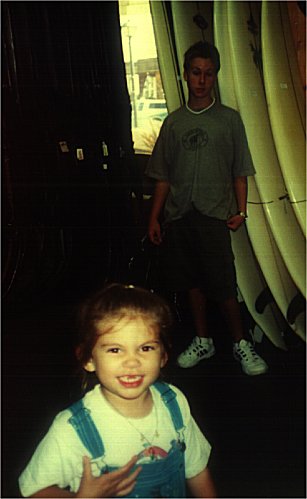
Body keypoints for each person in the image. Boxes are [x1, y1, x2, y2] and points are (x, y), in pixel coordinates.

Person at [18, 283, 216, 498]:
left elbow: (197, 470)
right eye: (115, 349)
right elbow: (35, 492)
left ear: (163, 356)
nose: (132, 362)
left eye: (146, 348)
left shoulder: (174, 402)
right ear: (88, 359)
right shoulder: (73, 428)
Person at [145, 41, 268, 376]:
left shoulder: (229, 121)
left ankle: (241, 343)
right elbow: (163, 177)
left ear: (215, 77)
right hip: (180, 216)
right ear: (186, 75)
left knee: (223, 284)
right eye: (196, 73)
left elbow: (240, 172)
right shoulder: (173, 123)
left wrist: (241, 212)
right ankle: (203, 340)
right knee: (191, 283)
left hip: (214, 216)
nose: (201, 80)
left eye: (208, 74)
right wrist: (154, 218)